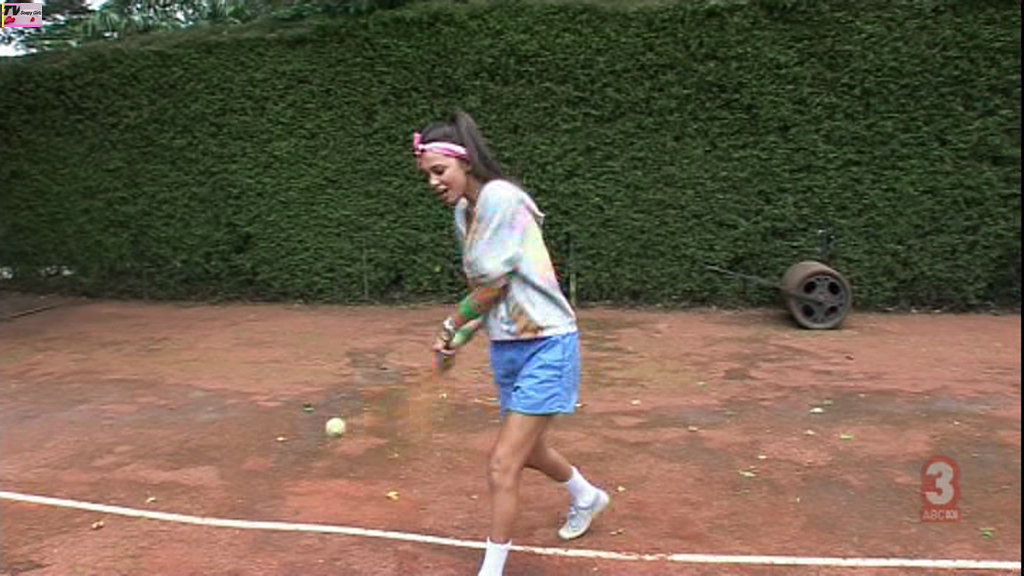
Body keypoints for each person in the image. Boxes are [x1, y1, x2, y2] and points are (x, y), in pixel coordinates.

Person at [412, 111, 610, 576]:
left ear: (465, 162)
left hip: (547, 343)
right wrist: (460, 338)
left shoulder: (500, 198)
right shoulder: (463, 214)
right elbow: (490, 293)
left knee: (503, 463)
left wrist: (450, 326)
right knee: (530, 450)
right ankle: (587, 496)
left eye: (439, 171)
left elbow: (491, 283)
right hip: (508, 347)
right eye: (427, 176)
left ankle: (492, 570)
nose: (434, 183)